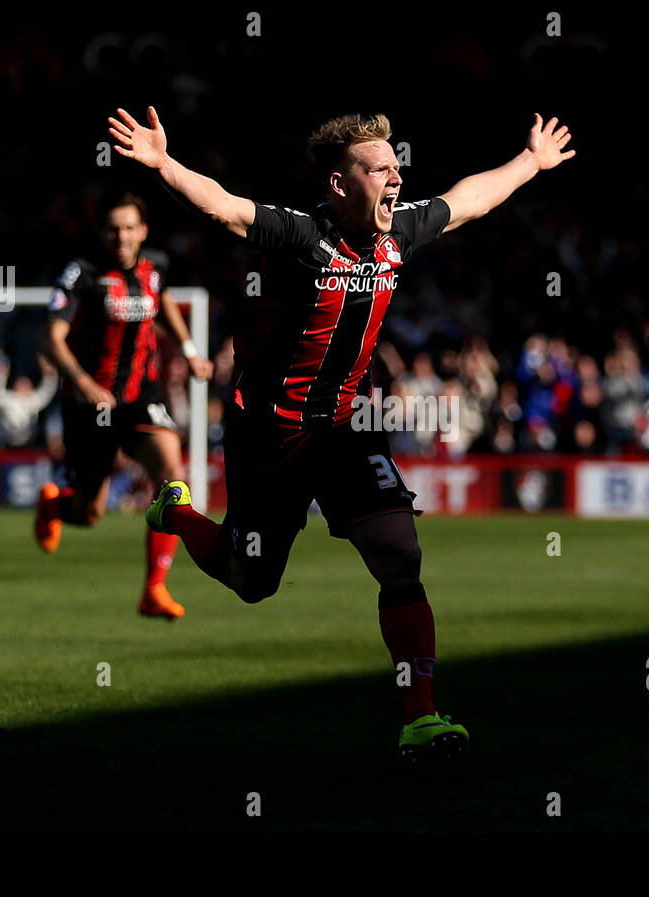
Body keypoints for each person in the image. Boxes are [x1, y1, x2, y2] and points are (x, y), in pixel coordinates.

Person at [107, 106, 575, 760]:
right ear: (339, 183)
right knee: (252, 580)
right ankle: (177, 512)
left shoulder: (397, 235)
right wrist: (163, 165)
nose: (396, 176)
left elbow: (468, 201)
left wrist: (530, 161)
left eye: (396, 164)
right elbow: (226, 208)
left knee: (400, 554)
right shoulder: (303, 236)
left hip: (348, 429)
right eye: (378, 167)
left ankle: (420, 716)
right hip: (271, 436)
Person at [34, 191, 214, 619]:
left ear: (143, 231)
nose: (122, 236)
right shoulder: (82, 273)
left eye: (130, 227)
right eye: (114, 228)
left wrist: (188, 349)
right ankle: (56, 505)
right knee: (89, 513)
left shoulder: (157, 267)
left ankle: (154, 589)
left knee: (172, 471)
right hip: (88, 405)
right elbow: (49, 338)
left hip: (140, 397)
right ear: (103, 232)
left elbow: (164, 299)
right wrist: (82, 382)